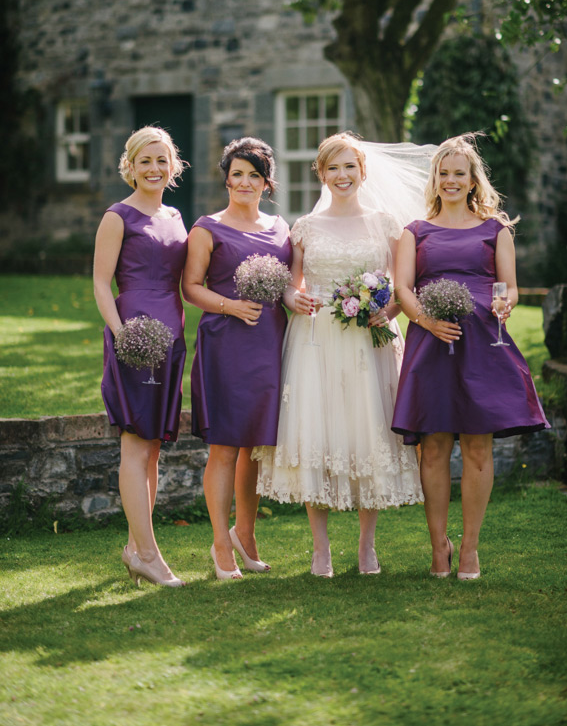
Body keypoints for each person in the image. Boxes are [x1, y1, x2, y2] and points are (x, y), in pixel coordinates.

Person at [253, 132, 426, 577]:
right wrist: (293, 299)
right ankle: (321, 549)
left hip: (371, 341)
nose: (342, 175)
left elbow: (401, 284)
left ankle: (367, 546)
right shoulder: (305, 228)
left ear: (362, 171)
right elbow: (294, 284)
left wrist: (384, 310)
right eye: (333, 168)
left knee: (368, 430)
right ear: (322, 174)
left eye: (350, 166)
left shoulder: (386, 224)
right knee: (318, 430)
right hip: (317, 340)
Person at [391, 133, 549, 581]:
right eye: (443, 173)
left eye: (459, 173)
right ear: (435, 179)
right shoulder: (414, 232)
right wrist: (425, 321)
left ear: (473, 179)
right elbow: (403, 288)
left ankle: (470, 549)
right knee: (435, 446)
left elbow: (510, 286)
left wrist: (506, 303)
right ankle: (438, 546)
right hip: (431, 342)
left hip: (482, 340)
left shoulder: (495, 229)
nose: (451, 181)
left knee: (478, 446)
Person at [183, 137, 292, 580]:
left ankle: (245, 534)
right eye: (237, 174)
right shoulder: (207, 228)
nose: (244, 182)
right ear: (227, 178)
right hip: (226, 342)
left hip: (270, 343)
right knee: (226, 446)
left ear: (266, 183)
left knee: (256, 448)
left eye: (254, 175)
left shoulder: (282, 227)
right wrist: (230, 305)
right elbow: (191, 287)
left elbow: (292, 281)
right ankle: (219, 545)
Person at [94, 126, 188, 587]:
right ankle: (149, 555)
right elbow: (100, 283)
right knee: (135, 442)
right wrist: (121, 334)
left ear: (173, 166)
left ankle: (135, 548)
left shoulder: (175, 215)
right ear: (129, 166)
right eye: (145, 161)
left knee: (152, 448)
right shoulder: (118, 217)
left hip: (172, 335)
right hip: (134, 335)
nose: (154, 169)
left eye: (161, 160)